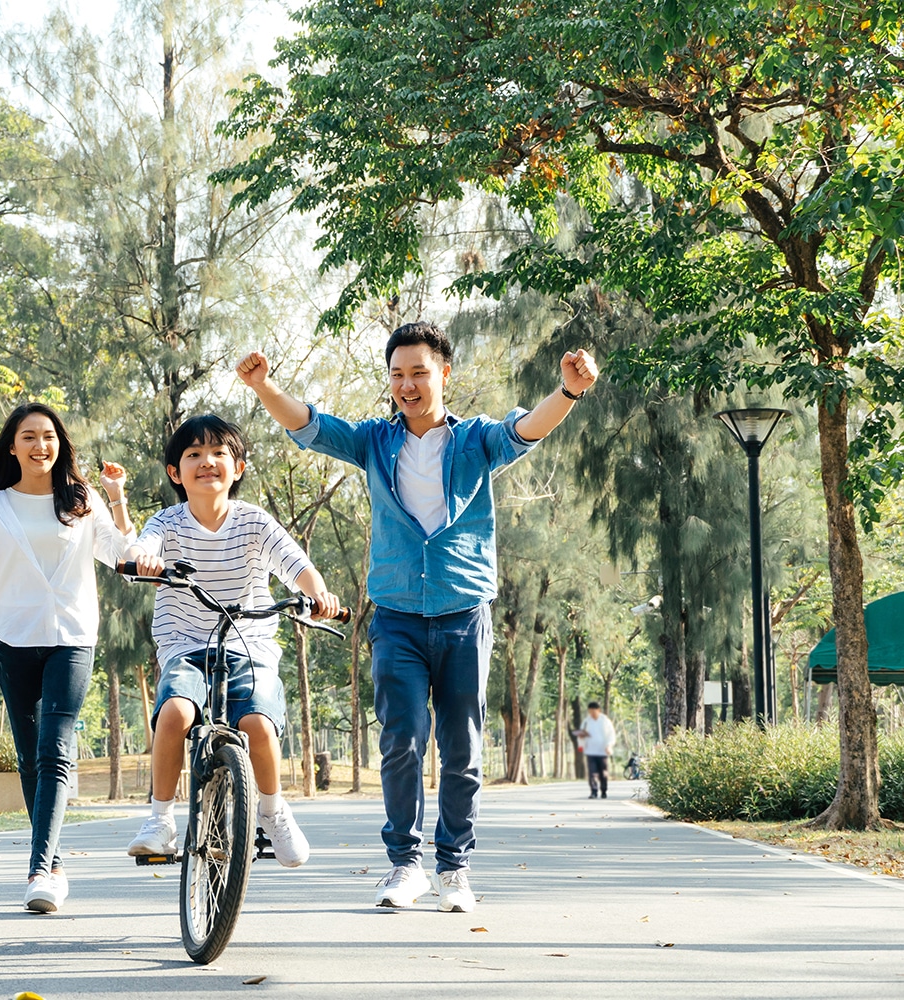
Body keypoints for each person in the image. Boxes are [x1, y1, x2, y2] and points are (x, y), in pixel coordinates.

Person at [237, 322, 598, 913]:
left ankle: (454, 868)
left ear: (444, 374)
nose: (407, 384)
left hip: (462, 612)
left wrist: (567, 392)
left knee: (462, 745)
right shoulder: (375, 442)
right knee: (401, 740)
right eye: (398, 374)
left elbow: (525, 430)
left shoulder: (475, 440)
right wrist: (262, 387)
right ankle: (405, 865)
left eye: (419, 372)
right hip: (398, 616)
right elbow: (310, 424)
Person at [0, 402, 136, 913]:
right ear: (12, 446)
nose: (40, 445)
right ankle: (55, 860)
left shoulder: (81, 500)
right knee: (30, 756)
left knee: (54, 746)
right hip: (14, 637)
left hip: (72, 636)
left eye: (48, 436)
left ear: (59, 444)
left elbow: (122, 557)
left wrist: (117, 499)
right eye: (29, 436)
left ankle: (38, 870)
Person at [123, 414, 341, 868]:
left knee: (258, 726)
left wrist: (316, 593)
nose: (207, 463)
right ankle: (161, 820)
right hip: (185, 644)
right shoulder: (168, 522)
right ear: (174, 473)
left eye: (219, 453)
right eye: (194, 455)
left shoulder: (254, 522)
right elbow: (143, 547)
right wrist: (144, 560)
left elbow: (295, 564)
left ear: (237, 467)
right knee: (176, 713)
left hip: (250, 644)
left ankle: (273, 811)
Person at [574, 701, 616, 799]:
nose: (592, 714)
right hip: (590, 751)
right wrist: (581, 744)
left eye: (593, 711)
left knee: (603, 773)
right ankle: (593, 791)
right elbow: (581, 734)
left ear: (598, 710)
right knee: (592, 772)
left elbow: (611, 734)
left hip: (602, 751)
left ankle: (604, 790)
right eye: (590, 712)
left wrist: (609, 746)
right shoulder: (586, 721)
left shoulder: (605, 721)